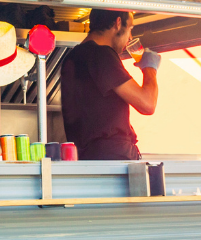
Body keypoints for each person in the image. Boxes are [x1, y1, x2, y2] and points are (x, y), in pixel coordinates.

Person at [58, 9, 159, 160]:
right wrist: (149, 68)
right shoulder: (101, 54)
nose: (130, 37)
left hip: (85, 157)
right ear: (118, 23)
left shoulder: (73, 57)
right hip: (113, 157)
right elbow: (147, 104)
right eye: (130, 28)